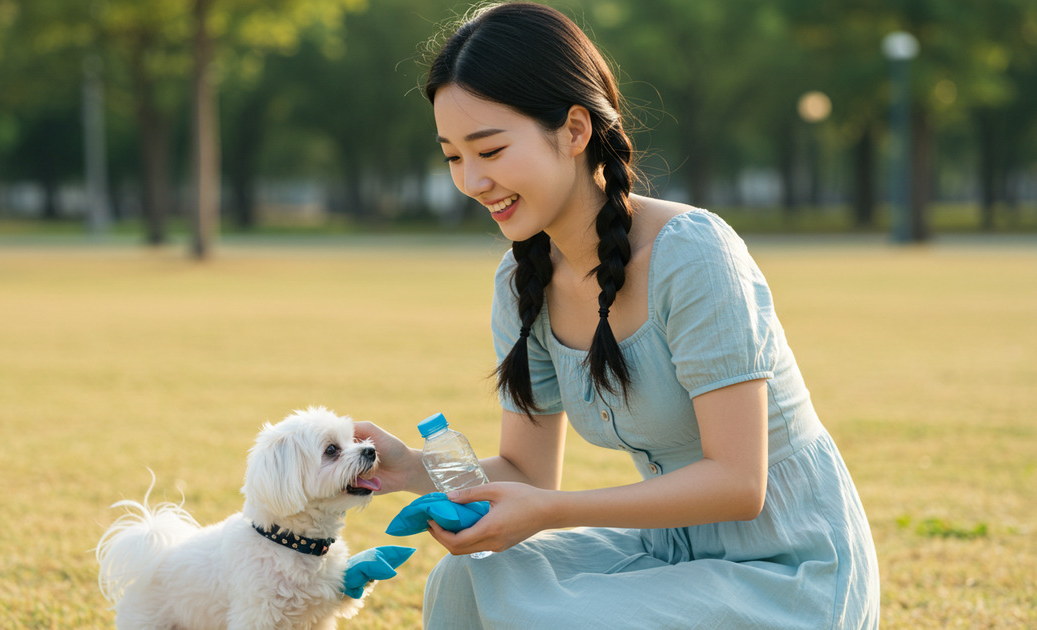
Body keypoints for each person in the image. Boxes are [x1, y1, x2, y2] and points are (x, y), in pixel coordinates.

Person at [354, 3, 880, 628]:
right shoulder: (521, 281)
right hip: (669, 552)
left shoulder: (692, 254)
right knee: (468, 577)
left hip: (790, 569)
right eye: (452, 157)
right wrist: (411, 469)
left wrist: (550, 513)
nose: (471, 180)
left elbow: (741, 483)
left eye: (490, 150)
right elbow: (527, 472)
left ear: (574, 131)